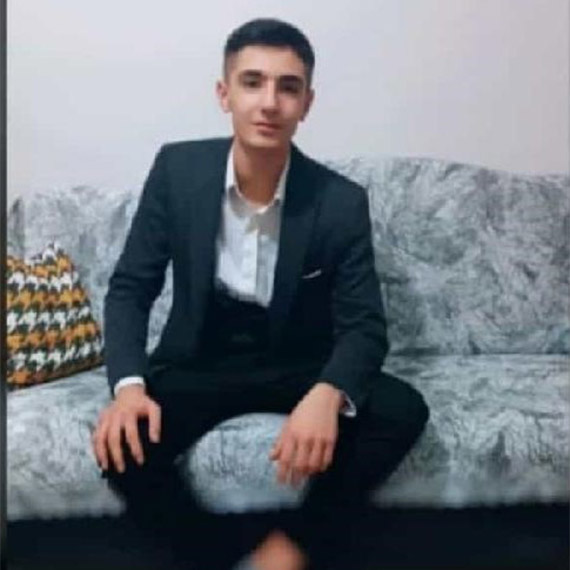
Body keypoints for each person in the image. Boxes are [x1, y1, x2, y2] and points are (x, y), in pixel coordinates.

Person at [92, 17, 429, 570]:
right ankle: (215, 555)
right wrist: (128, 387)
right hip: (200, 358)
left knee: (402, 409)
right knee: (122, 444)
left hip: (296, 359)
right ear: (224, 94)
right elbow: (131, 288)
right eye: (252, 82)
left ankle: (289, 550)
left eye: (288, 87)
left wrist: (327, 393)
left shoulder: (340, 201)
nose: (269, 102)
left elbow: (365, 326)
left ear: (307, 103)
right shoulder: (177, 171)